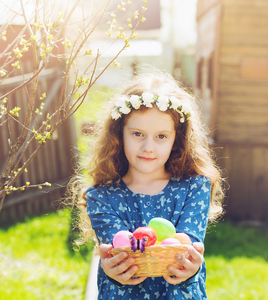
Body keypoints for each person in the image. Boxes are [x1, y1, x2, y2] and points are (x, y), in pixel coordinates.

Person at [72, 70, 225, 299]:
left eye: (161, 136)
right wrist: (116, 271)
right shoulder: (101, 197)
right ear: (119, 133)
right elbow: (122, 254)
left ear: (177, 138)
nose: (148, 147)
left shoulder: (194, 188)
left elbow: (184, 248)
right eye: (137, 134)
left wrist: (189, 269)